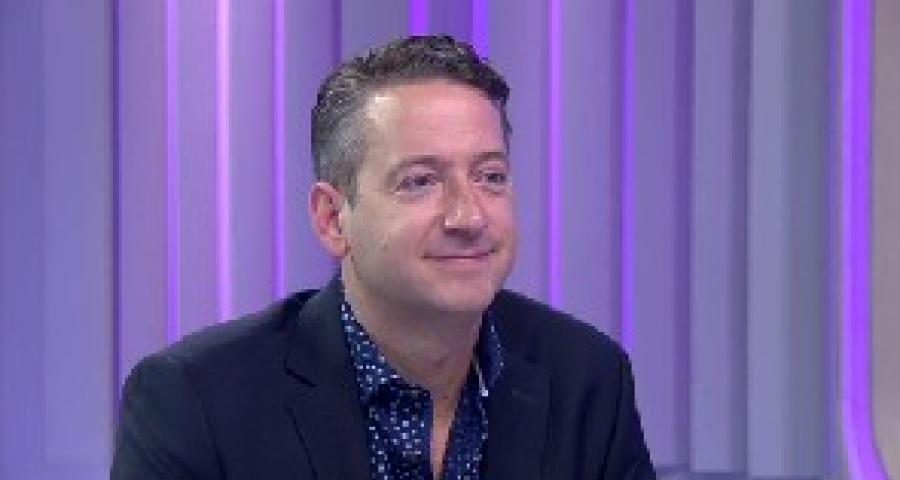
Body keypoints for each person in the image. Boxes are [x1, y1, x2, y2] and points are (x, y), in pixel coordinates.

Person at [110, 35, 655, 480]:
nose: (469, 216)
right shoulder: (197, 402)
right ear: (332, 219)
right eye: (420, 182)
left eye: (490, 176)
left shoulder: (588, 379)